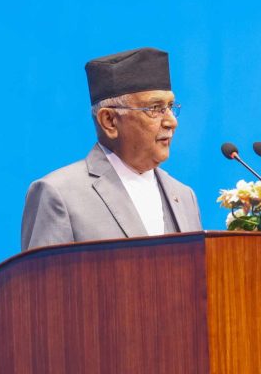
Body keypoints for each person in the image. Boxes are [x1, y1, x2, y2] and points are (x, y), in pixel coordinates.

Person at [21, 47, 202, 251]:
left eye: (170, 107)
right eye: (155, 109)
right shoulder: (59, 194)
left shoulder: (184, 196)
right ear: (109, 121)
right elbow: (46, 273)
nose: (171, 122)